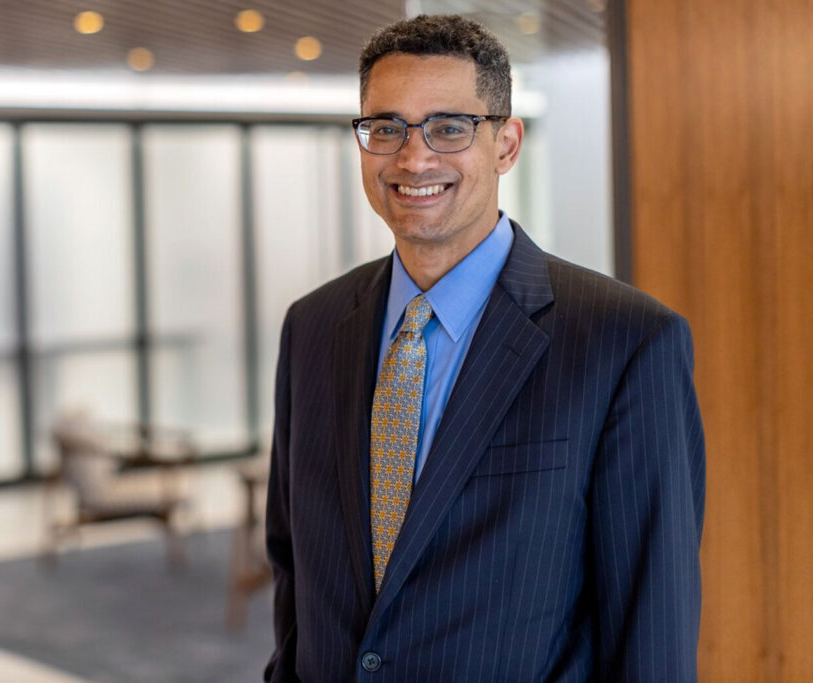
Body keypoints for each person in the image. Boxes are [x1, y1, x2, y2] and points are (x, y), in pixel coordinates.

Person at [264, 14, 705, 682]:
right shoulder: (312, 327)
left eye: (449, 127)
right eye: (386, 127)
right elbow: (293, 569)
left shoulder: (625, 342)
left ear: (506, 144)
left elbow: (653, 626)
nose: (413, 158)